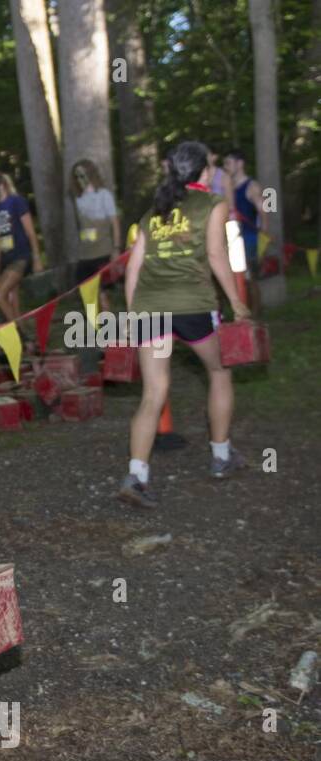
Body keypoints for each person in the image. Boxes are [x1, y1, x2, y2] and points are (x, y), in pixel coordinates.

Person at [118, 140, 252, 509]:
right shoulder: (213, 204)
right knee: (220, 371)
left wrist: (131, 316)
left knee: (153, 393)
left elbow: (133, 267)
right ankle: (221, 455)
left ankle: (137, 476)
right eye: (209, 167)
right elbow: (215, 254)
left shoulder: (154, 211)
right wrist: (238, 303)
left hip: (151, 309)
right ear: (204, 172)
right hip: (193, 307)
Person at [0, 171, 43, 324]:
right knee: (12, 300)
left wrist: (37, 258)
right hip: (7, 257)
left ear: (1, 185)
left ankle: (20, 335)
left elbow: (31, 232)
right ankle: (24, 342)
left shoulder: (17, 202)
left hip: (21, 256)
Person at [69, 159, 122, 312]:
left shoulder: (104, 195)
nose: (81, 179)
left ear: (91, 174)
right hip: (85, 253)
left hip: (103, 251)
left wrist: (116, 248)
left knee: (102, 293)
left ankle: (109, 329)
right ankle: (97, 327)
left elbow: (115, 223)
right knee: (87, 291)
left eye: (84, 174)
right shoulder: (78, 198)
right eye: (77, 176)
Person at [223, 149, 265, 315]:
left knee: (248, 277)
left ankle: (255, 311)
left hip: (248, 237)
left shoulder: (252, 186)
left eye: (229, 163)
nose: (226, 167)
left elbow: (263, 211)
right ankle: (240, 309)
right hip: (231, 236)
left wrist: (264, 233)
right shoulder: (226, 186)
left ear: (240, 164)